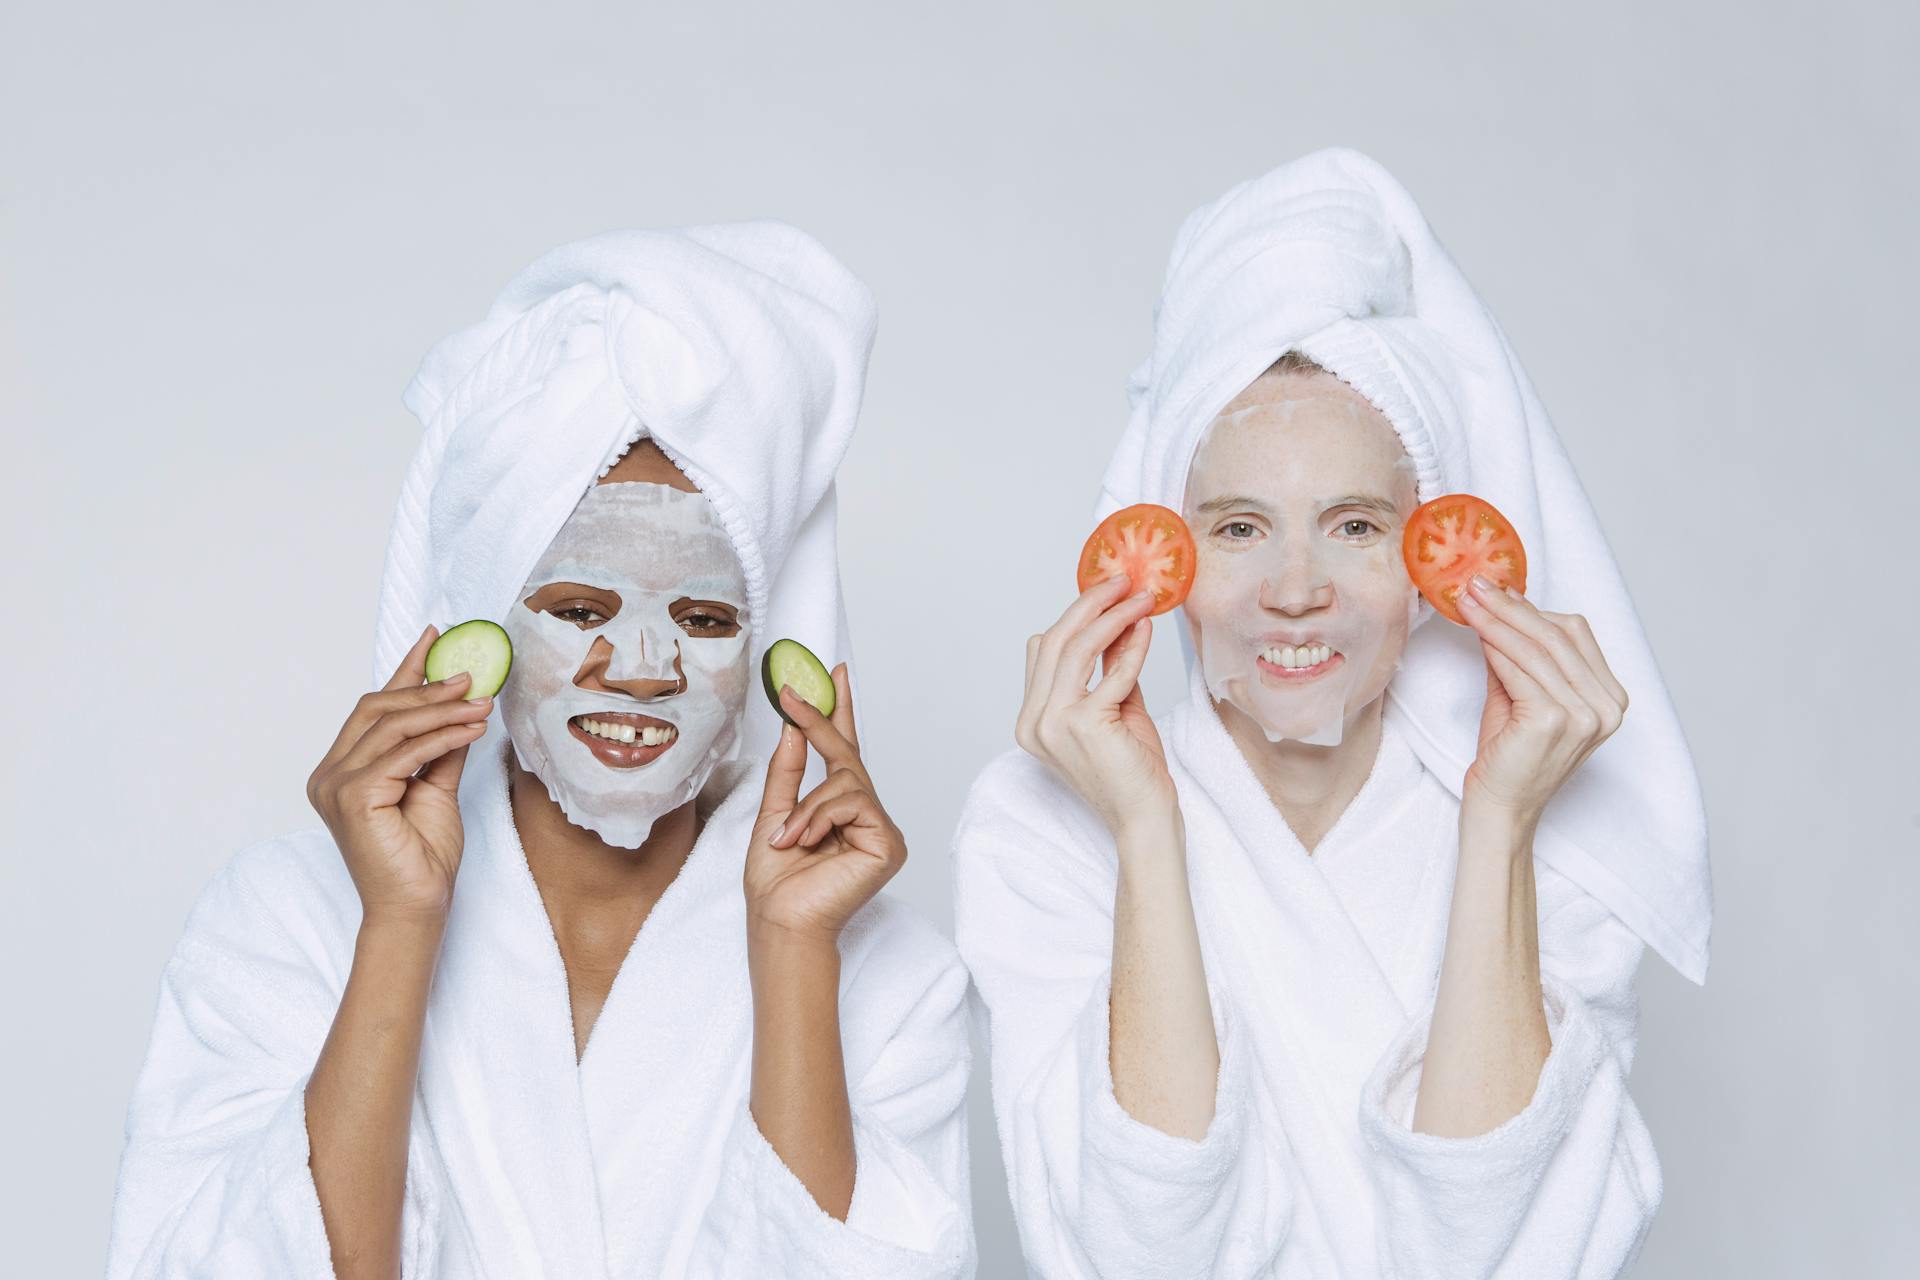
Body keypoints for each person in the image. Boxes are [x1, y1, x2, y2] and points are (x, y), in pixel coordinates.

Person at [107, 223, 976, 1278]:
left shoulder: (889, 976)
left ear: (766, 646)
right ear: (486, 625)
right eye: (579, 605)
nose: (644, 665)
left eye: (703, 616)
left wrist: (794, 951)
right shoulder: (284, 924)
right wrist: (397, 923)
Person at [954, 147, 1711, 1278]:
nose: (1294, 588)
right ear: (1160, 562)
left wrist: (1497, 820)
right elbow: (1137, 1251)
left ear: (1436, 562)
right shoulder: (1036, 829)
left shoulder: (1568, 834)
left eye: (1355, 525)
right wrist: (1147, 827)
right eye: (1238, 528)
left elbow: (1497, 1251)